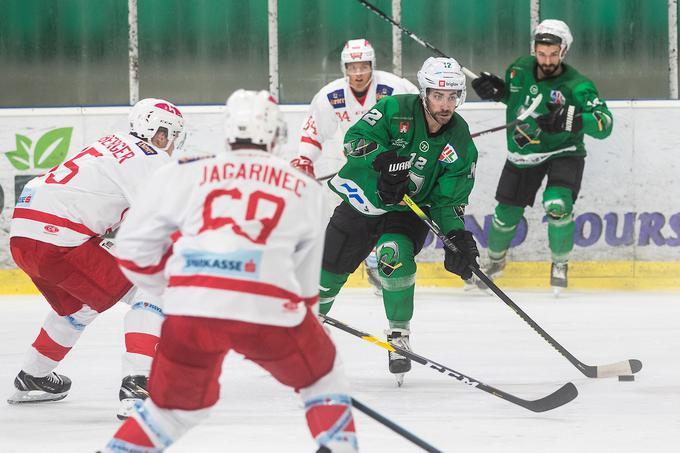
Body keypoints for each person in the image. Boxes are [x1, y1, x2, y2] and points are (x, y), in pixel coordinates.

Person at [102, 90, 359, 453]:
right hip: (268, 312)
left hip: (193, 311)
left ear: (228, 133)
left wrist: (176, 290)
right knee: (324, 381)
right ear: (275, 136)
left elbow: (131, 252)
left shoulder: (182, 171)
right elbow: (305, 286)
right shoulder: (305, 188)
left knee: (169, 412)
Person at [7, 98, 185, 420]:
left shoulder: (109, 143)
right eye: (172, 138)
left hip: (22, 236)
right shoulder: (151, 158)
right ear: (161, 134)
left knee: (79, 306)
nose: (172, 146)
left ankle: (32, 377)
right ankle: (138, 387)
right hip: (60, 239)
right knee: (154, 288)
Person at [316, 57, 480, 385]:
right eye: (438, 96)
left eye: (452, 97)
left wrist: (456, 236)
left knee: (394, 255)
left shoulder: (460, 140)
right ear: (424, 93)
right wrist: (383, 159)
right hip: (363, 200)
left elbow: (448, 202)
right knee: (327, 274)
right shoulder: (395, 109)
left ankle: (399, 334)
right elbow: (353, 140)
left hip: (407, 211)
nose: (445, 105)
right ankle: (307, 329)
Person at [469, 19, 613, 293]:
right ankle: (495, 262)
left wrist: (572, 119)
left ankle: (560, 263)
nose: (546, 59)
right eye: (541, 52)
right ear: (534, 49)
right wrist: (498, 92)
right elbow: (519, 101)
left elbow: (605, 123)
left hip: (564, 151)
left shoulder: (577, 85)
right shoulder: (519, 69)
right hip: (523, 153)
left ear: (564, 51)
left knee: (557, 204)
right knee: (504, 217)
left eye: (553, 53)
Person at [290, 38, 419, 295]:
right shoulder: (331, 95)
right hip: (358, 168)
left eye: (363, 66)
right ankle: (369, 263)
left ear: (372, 65)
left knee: (391, 216)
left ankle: (383, 264)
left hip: (394, 165)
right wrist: (304, 157)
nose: (358, 73)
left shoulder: (395, 87)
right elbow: (314, 130)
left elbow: (420, 115)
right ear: (344, 68)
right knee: (356, 219)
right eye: (352, 67)